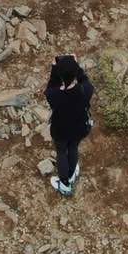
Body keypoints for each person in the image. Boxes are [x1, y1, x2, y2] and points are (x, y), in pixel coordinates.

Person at [45, 54, 94, 196]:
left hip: (60, 129)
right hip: (79, 128)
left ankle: (65, 184)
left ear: (60, 76)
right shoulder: (86, 90)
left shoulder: (54, 95)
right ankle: (72, 173)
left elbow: (51, 85)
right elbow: (84, 79)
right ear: (75, 74)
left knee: (61, 152)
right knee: (73, 147)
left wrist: (54, 69)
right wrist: (76, 67)